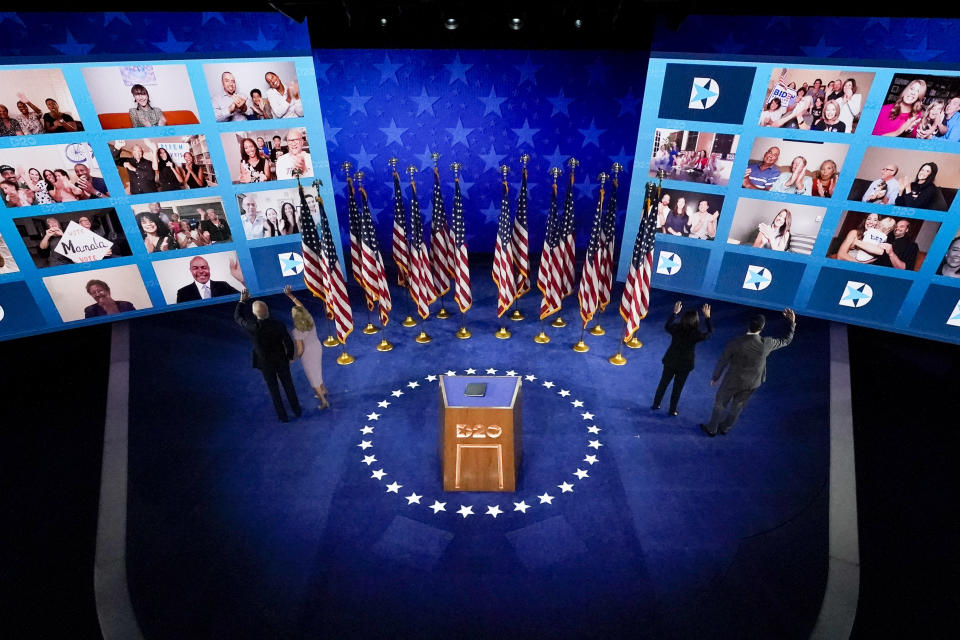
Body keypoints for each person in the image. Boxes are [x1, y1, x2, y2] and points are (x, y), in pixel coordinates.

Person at [700, 308, 797, 437]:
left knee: (720, 402)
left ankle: (712, 429)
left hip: (732, 380)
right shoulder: (766, 343)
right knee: (738, 406)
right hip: (752, 382)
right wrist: (792, 323)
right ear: (762, 328)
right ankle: (725, 428)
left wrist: (715, 377)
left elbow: (723, 361)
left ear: (749, 325)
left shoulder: (735, 343)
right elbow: (786, 340)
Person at [235, 288, 302, 422]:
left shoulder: (252, 327)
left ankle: (282, 416)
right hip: (281, 359)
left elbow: (238, 317)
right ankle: (297, 410)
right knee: (288, 385)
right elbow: (288, 342)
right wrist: (289, 356)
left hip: (265, 363)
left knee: (273, 389)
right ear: (268, 311)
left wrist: (242, 301)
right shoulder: (278, 325)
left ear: (254, 314)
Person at [652, 301, 712, 416]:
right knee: (677, 388)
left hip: (670, 360)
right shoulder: (696, 334)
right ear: (696, 321)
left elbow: (667, 326)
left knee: (663, 384)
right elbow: (709, 333)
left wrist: (675, 313)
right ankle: (672, 410)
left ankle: (655, 404)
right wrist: (708, 317)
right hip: (685, 365)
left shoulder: (676, 328)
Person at [284, 284, 329, 409]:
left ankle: (323, 401)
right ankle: (324, 390)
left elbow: (300, 350)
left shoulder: (297, 331)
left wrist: (293, 360)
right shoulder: (310, 319)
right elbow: (301, 306)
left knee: (312, 377)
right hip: (317, 347)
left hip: (308, 354)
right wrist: (290, 295)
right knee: (317, 371)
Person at [175, 255, 242, 302]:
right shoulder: (182, 293)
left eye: (204, 267)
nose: (201, 271)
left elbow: (244, 299)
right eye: (195, 268)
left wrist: (242, 280)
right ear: (191, 270)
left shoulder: (224, 285)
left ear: (209, 269)